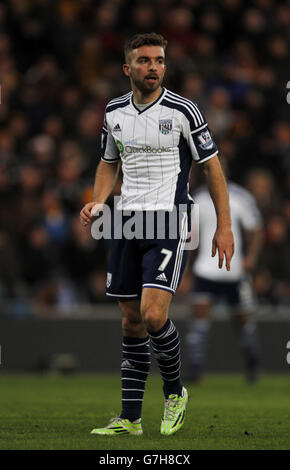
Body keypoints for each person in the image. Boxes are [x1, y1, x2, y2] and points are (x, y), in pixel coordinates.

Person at [80, 33, 234, 437]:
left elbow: (213, 168)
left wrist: (225, 225)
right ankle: (130, 418)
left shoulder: (184, 111)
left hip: (169, 220)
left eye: (160, 60)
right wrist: (98, 202)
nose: (154, 67)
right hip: (126, 222)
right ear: (127, 69)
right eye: (145, 60)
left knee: (153, 315)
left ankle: (175, 392)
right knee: (131, 321)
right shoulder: (114, 111)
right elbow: (106, 163)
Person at [186, 179, 263, 383]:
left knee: (243, 321)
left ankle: (253, 365)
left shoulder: (239, 197)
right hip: (205, 268)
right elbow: (190, 238)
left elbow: (255, 229)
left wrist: (251, 259)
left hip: (234, 270)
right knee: (199, 321)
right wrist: (186, 268)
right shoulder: (197, 198)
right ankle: (196, 370)